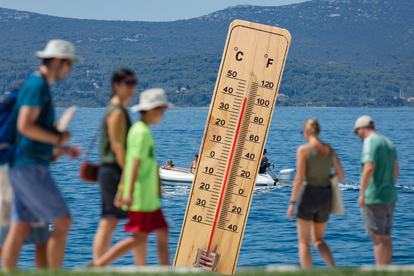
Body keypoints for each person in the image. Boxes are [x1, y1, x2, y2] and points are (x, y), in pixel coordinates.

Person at [2, 40, 82, 269]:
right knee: (63, 221)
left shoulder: (38, 86)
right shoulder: (37, 86)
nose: (70, 70)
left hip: (25, 165)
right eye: (69, 64)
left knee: (20, 227)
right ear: (57, 61)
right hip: (29, 167)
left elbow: (32, 133)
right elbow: (25, 126)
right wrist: (58, 139)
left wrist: (62, 149)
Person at [92, 88, 172, 267]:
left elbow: (141, 163)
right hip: (141, 198)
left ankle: (157, 269)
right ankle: (99, 265)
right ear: (151, 110)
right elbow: (133, 164)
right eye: (161, 111)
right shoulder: (140, 132)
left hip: (149, 198)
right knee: (139, 238)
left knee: (162, 232)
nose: (162, 115)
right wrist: (126, 192)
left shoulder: (144, 130)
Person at [287, 118, 345, 268]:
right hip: (326, 197)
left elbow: (299, 178)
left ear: (305, 132)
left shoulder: (304, 150)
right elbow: (342, 176)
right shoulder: (330, 150)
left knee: (304, 242)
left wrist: (292, 203)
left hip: (308, 195)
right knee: (319, 240)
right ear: (318, 132)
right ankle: (334, 270)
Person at [93, 69, 137, 262]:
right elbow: (119, 148)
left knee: (108, 221)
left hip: (109, 171)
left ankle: (98, 264)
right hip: (114, 171)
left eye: (134, 82)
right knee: (111, 221)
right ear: (116, 85)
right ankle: (99, 264)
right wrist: (130, 177)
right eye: (127, 82)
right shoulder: (117, 111)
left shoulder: (117, 109)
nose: (132, 87)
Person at [353, 115, 398, 266]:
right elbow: (396, 170)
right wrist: (389, 187)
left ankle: (380, 271)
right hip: (390, 196)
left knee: (378, 239)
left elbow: (369, 166)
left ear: (362, 129)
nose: (358, 136)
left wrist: (363, 192)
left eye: (357, 132)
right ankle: (388, 270)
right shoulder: (388, 142)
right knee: (386, 237)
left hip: (375, 197)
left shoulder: (369, 141)